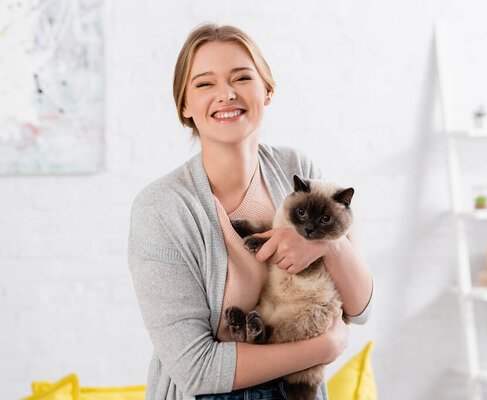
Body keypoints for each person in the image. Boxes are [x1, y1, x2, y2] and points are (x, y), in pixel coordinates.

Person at [128, 24, 374, 400]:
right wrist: (323, 349)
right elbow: (196, 370)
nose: (226, 94)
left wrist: (330, 247)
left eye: (242, 78)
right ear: (184, 105)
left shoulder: (298, 174)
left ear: (267, 91)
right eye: (204, 84)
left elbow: (359, 308)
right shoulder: (162, 209)